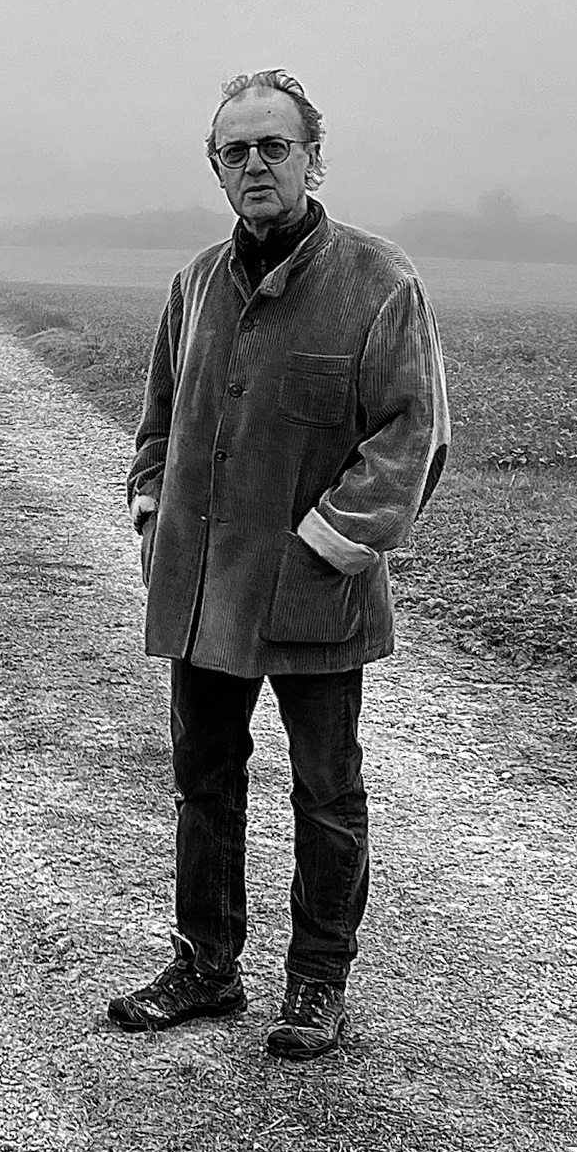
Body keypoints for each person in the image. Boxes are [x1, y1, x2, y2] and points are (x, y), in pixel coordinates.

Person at [108, 68, 449, 1059]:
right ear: (215, 167)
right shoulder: (192, 285)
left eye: (273, 146)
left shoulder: (379, 281)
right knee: (203, 783)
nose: (254, 164)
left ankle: (315, 985)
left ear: (311, 158)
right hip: (202, 590)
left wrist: (329, 542)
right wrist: (150, 510)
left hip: (313, 592)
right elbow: (158, 422)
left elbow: (411, 435)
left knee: (325, 792)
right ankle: (205, 965)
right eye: (235, 150)